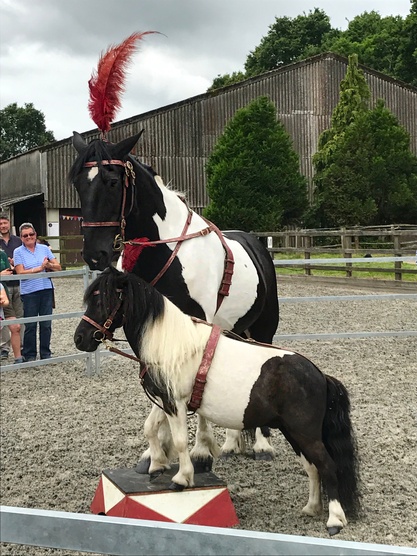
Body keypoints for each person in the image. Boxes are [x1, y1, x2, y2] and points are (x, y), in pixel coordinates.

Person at [14, 223, 61, 361]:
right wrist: (39, 269)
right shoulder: (18, 252)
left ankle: (45, 352)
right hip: (29, 292)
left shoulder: (44, 248)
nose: (29, 237)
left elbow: (58, 267)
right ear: (21, 238)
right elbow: (20, 271)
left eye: (31, 234)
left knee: (46, 323)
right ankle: (30, 354)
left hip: (46, 289)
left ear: (35, 235)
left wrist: (49, 265)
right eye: (25, 235)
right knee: (30, 324)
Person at [0, 213, 23, 359]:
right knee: (4, 316)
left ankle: (19, 346)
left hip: (18, 281)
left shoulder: (18, 241)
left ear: (9, 224)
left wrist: (16, 263)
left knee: (20, 316)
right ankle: (4, 347)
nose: (3, 226)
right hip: (3, 285)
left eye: (5, 223)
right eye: (0, 224)